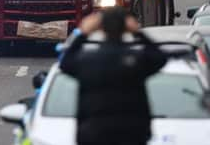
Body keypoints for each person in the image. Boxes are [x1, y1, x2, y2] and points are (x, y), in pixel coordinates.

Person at [59, 8, 167, 145]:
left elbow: (65, 62)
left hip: (94, 133)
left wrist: (83, 33)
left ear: (100, 28)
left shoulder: (89, 61)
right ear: (126, 28)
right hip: (132, 133)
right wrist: (138, 33)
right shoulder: (136, 60)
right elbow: (160, 58)